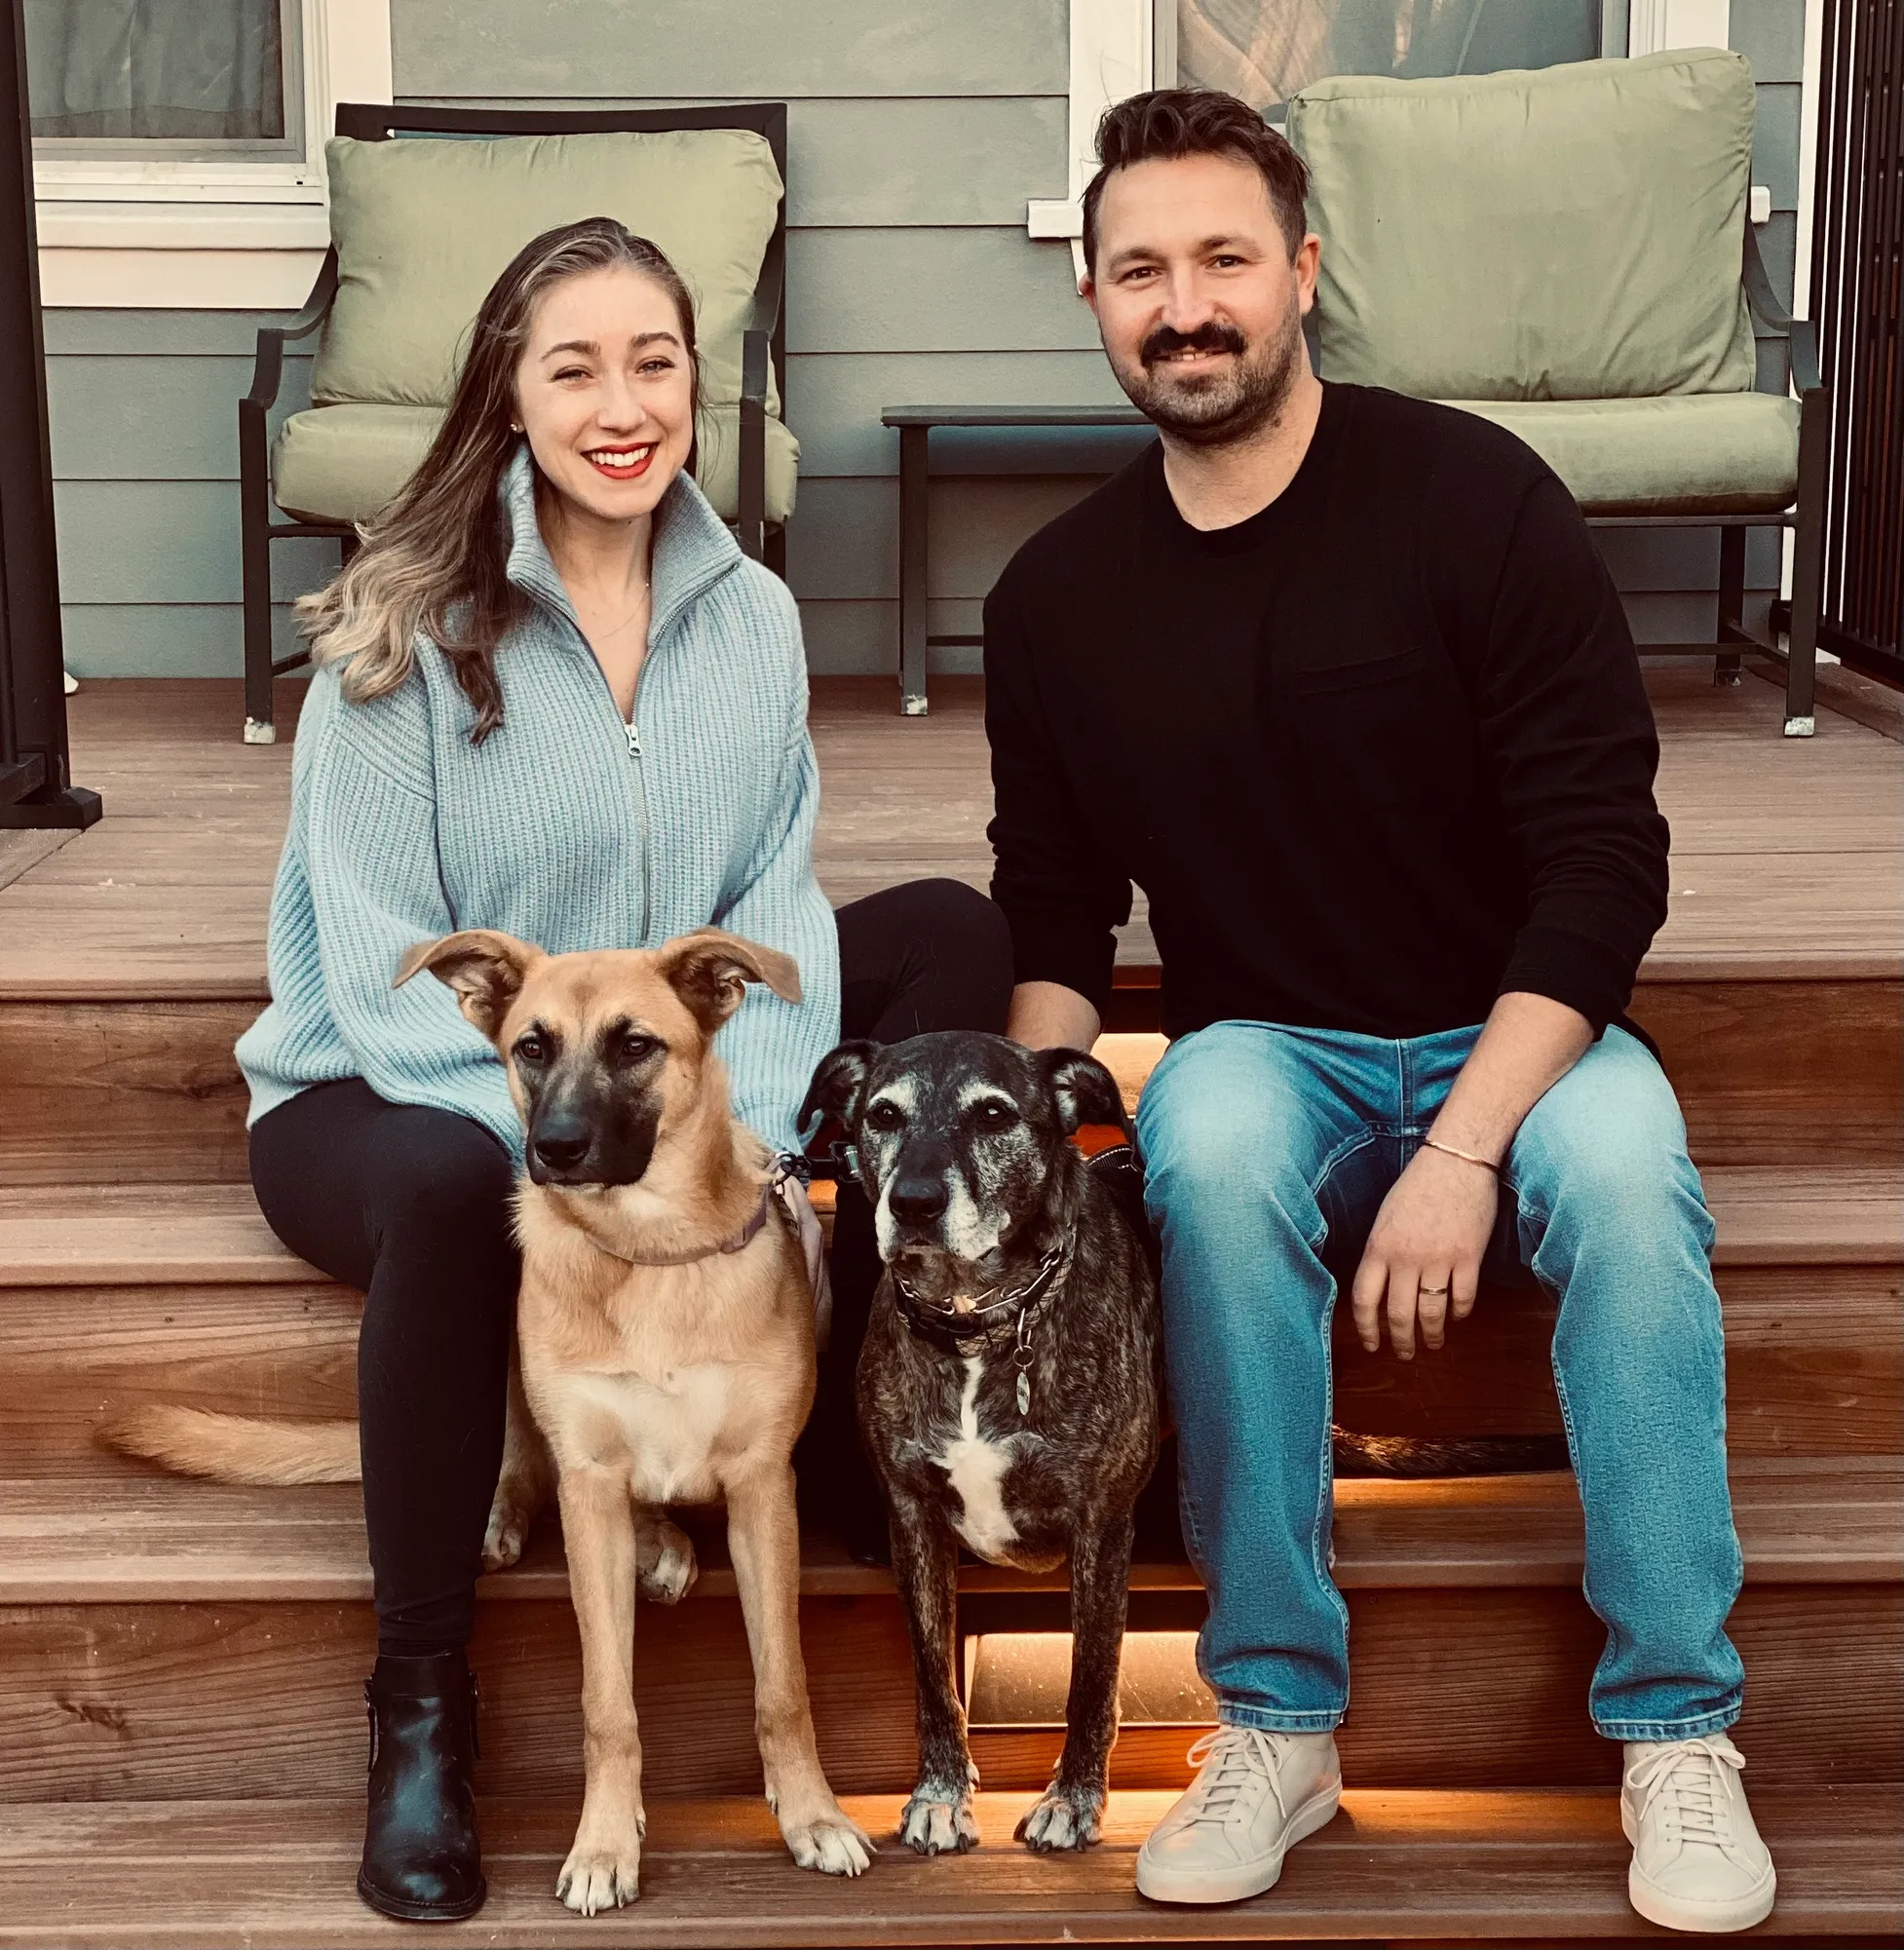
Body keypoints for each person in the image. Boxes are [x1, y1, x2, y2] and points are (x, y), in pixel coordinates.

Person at [983, 92, 1774, 1934]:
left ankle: (1675, 1724)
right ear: (1097, 302)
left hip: (1524, 1030)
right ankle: (1274, 1716)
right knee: (1206, 1138)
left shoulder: (1471, 499)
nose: (1185, 307)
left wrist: (1462, 1147)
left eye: (1223, 261)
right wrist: (1031, 1118)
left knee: (1639, 1201)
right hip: (1276, 1042)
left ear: (1304, 275)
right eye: (1140, 272)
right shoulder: (1057, 599)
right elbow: (1052, 909)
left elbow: (1603, 862)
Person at [236, 217, 1009, 1923]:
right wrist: (582, 1169)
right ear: (508, 396)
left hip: (663, 1061)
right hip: (401, 1090)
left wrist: (757, 1164)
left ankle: (823, 1443)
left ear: (698, 385)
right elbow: (381, 968)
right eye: (572, 366)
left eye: (653, 362)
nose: (620, 403)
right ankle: (421, 1699)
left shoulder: (751, 618)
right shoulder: (401, 630)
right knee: (457, 1196)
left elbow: (773, 895)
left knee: (952, 933)